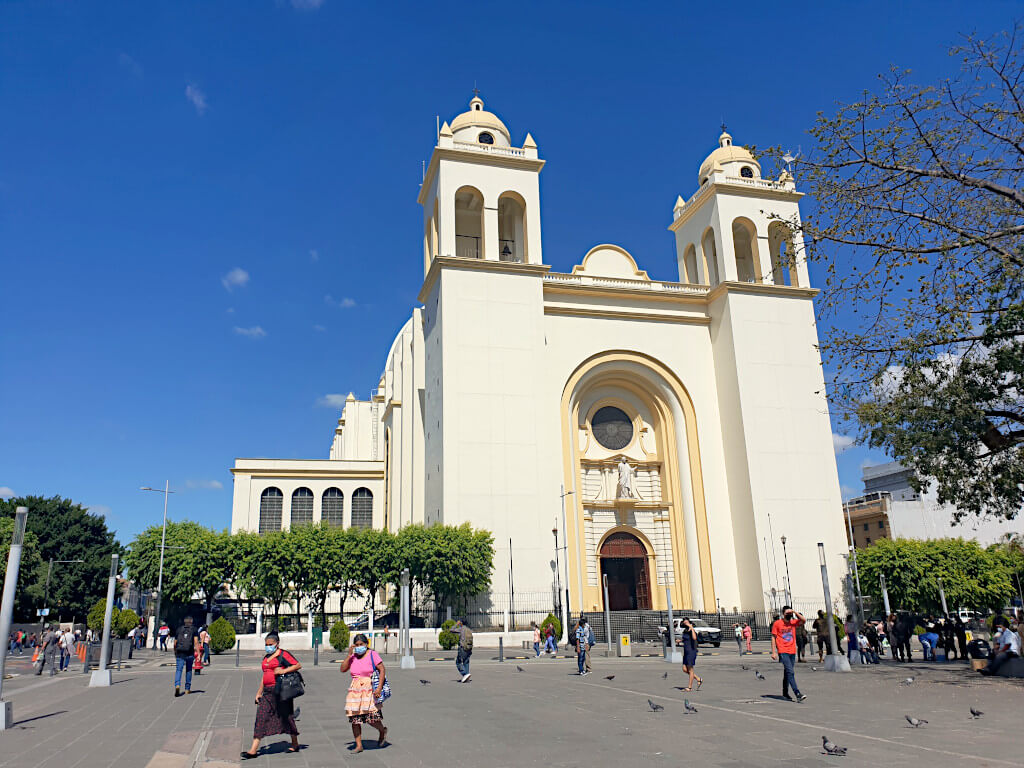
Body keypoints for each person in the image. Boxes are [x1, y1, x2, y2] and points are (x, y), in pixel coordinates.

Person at [241, 631, 301, 759]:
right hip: (267, 693)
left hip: (281, 691)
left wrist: (283, 670)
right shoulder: (266, 658)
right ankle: (253, 750)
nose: (268, 646)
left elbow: (297, 665)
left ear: (277, 644)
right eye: (266, 644)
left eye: (270, 644)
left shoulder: (283, 654)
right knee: (261, 717)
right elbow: (265, 676)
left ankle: (295, 743)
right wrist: (259, 692)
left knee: (287, 717)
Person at [339, 633, 388, 753]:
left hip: (369, 690)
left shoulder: (372, 654)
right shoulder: (353, 656)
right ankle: (359, 745)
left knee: (372, 719)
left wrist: (379, 688)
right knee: (355, 719)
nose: (359, 646)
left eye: (361, 644)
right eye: (357, 645)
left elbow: (382, 669)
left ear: (366, 644)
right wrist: (349, 655)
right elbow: (342, 669)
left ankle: (382, 731)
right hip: (355, 691)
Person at [770, 606, 806, 703]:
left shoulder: (793, 623)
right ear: (783, 614)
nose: (789, 615)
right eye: (787, 613)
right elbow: (773, 637)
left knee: (787, 672)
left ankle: (785, 692)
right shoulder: (777, 624)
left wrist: (794, 611)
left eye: (790, 614)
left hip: (792, 651)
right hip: (783, 651)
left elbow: (803, 620)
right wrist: (774, 652)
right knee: (790, 672)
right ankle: (797, 693)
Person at [173, 616, 200, 697]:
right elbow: (196, 642)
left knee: (179, 670)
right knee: (188, 670)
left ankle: (177, 685)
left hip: (180, 652)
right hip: (189, 652)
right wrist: (198, 653)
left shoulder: (179, 629)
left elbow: (175, 643)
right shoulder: (194, 629)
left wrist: (175, 652)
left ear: (184, 622)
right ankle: (187, 689)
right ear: (191, 621)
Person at [679, 617, 703, 691]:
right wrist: (680, 640)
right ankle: (698, 679)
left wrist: (691, 628)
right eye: (684, 622)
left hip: (691, 651)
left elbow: (694, 638)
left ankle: (689, 687)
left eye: (687, 622)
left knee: (690, 669)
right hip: (686, 651)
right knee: (684, 669)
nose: (685, 623)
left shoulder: (692, 630)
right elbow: (686, 638)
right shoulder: (685, 630)